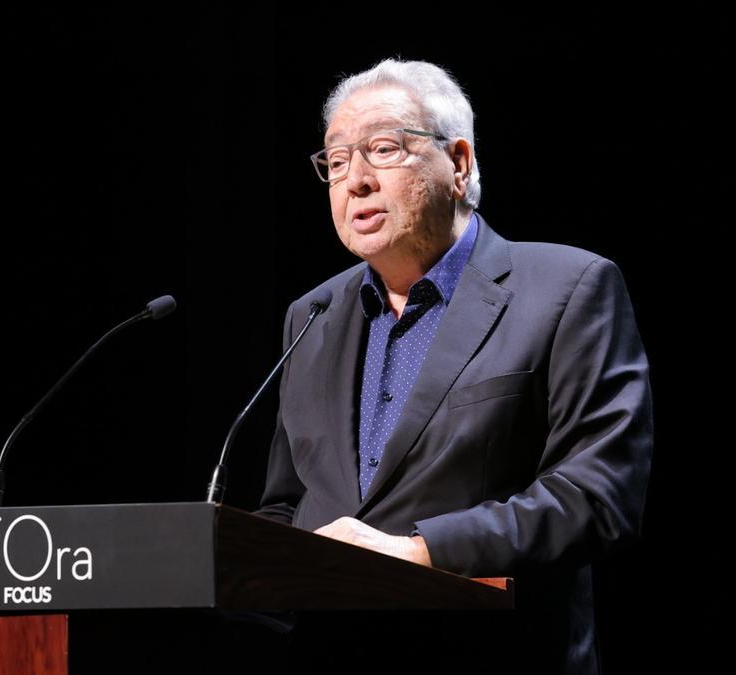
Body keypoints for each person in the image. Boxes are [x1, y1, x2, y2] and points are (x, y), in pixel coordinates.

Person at [253, 58, 653, 674]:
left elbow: (597, 495)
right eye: (335, 162)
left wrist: (418, 553)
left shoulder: (567, 289)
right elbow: (287, 506)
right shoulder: (311, 315)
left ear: (459, 164)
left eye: (382, 149)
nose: (353, 180)